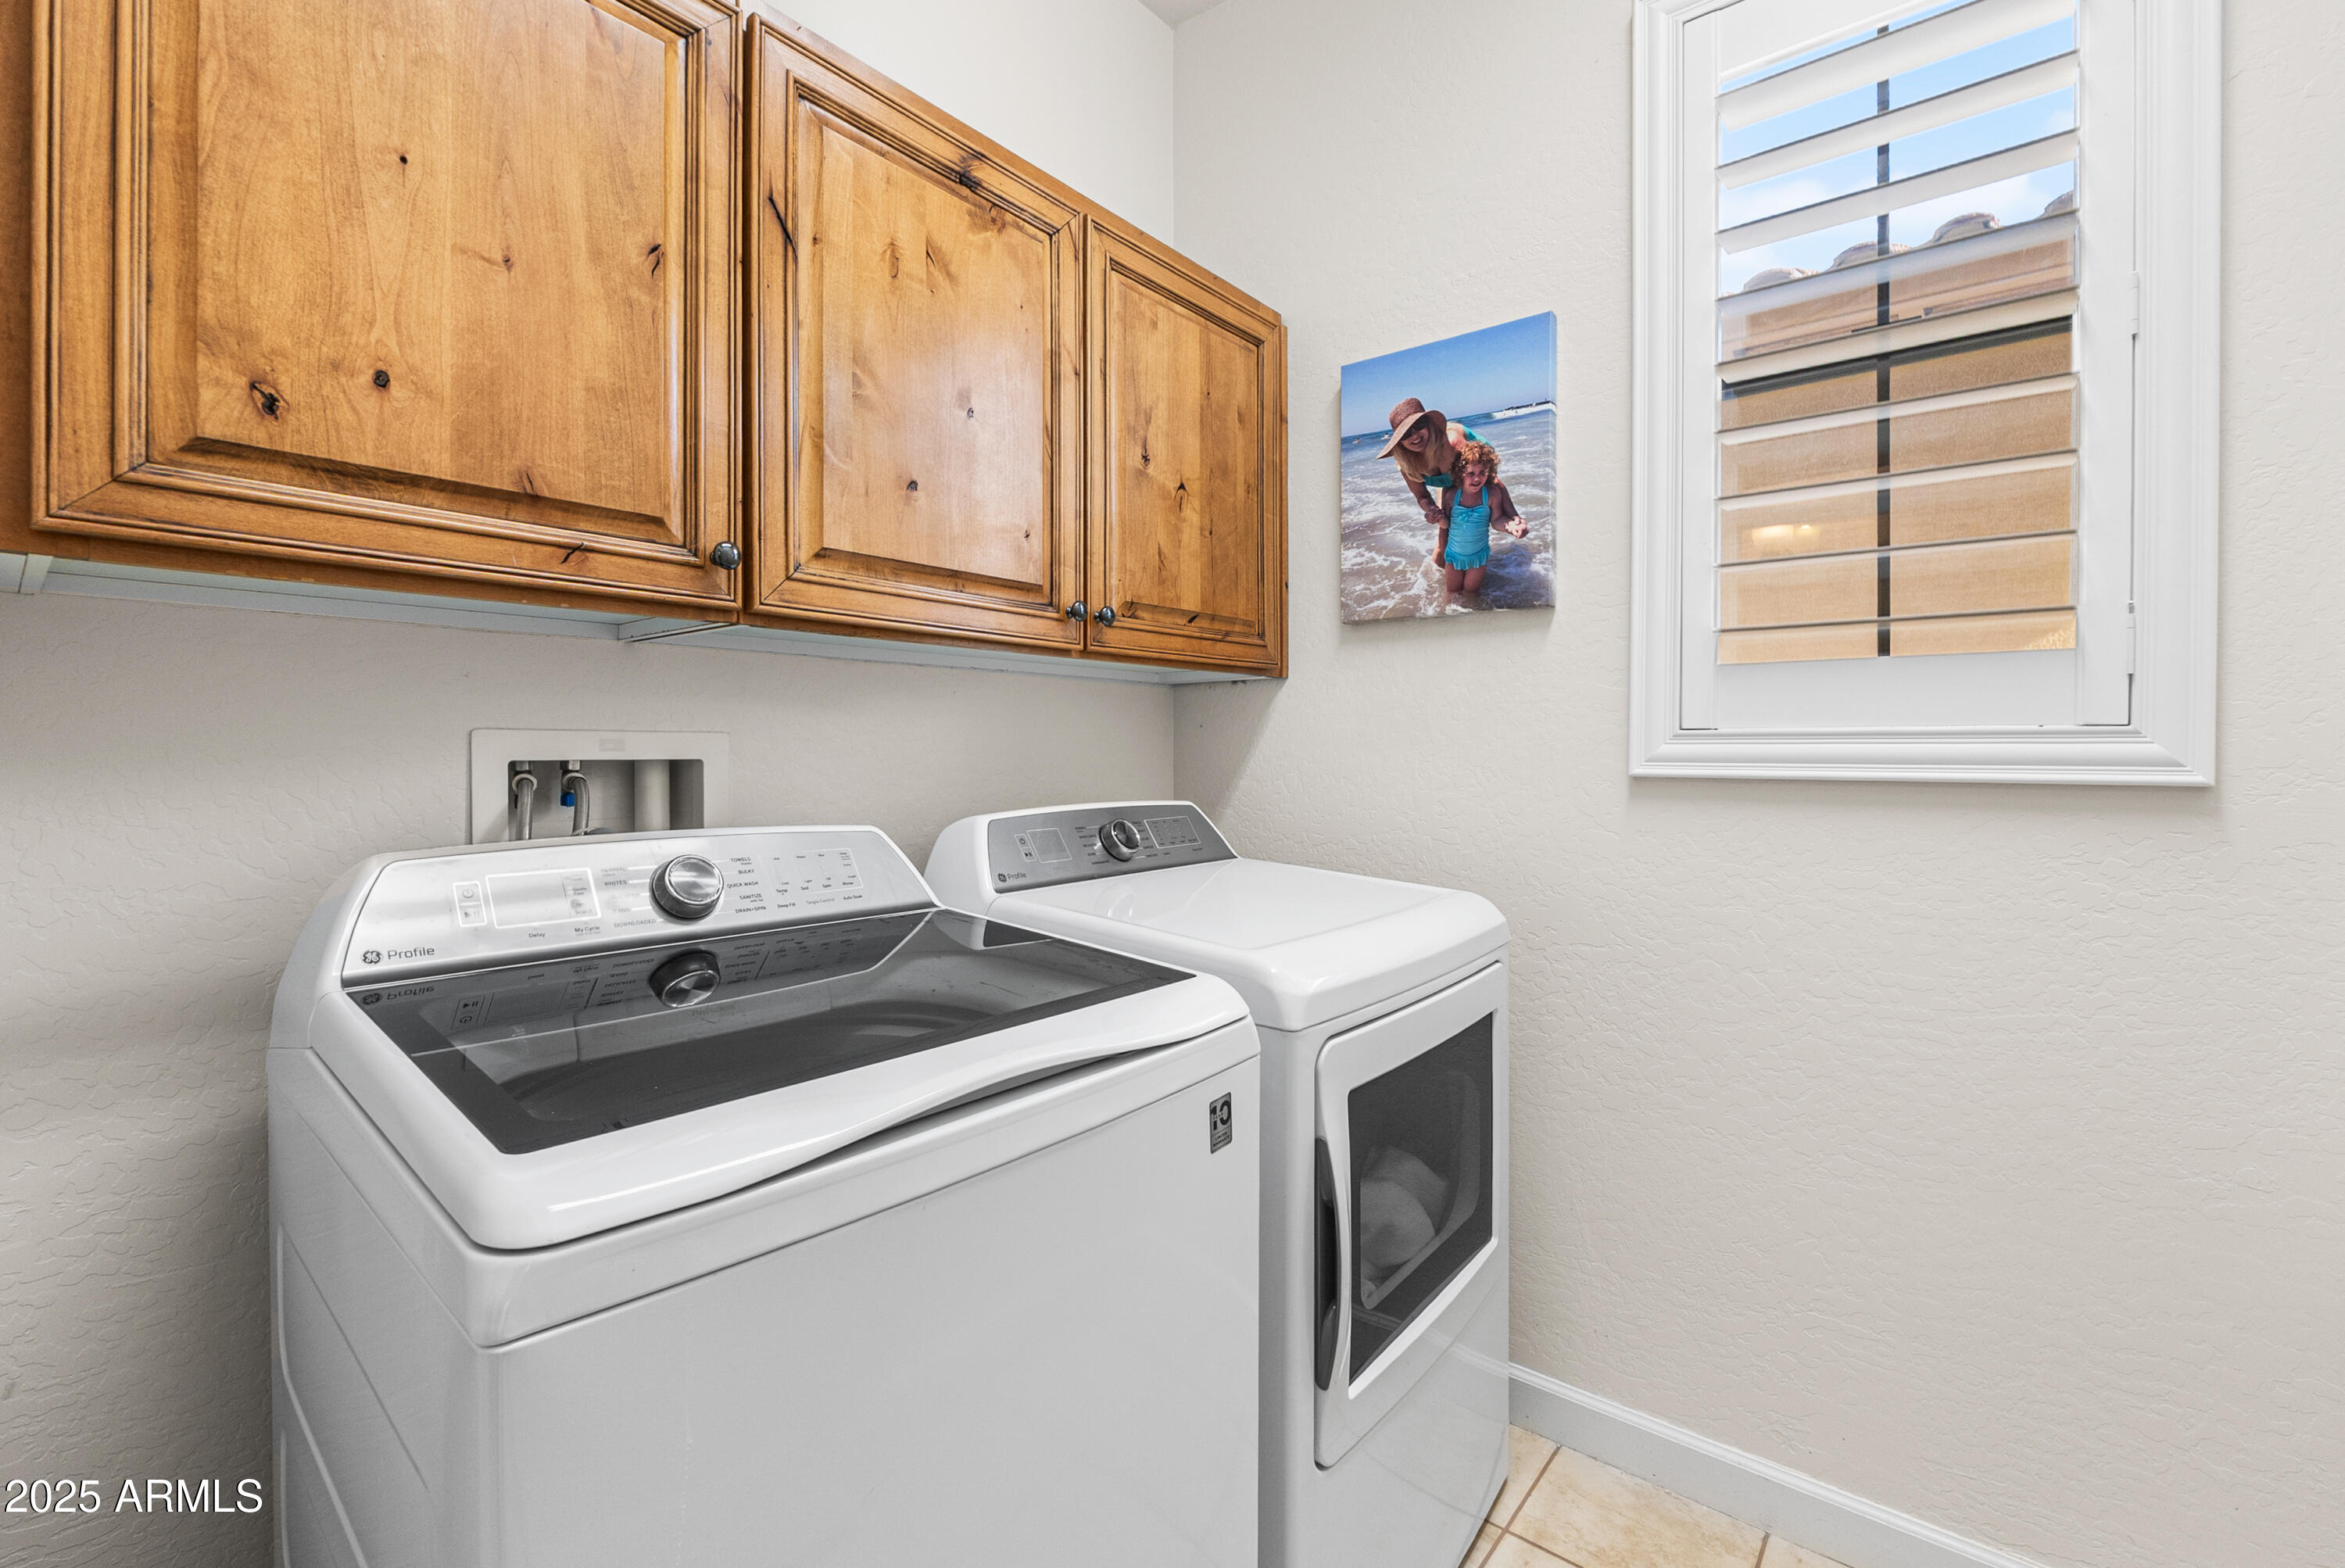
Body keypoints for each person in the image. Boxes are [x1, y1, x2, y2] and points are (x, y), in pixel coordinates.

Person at [1437, 440, 1527, 599]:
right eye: (1471, 473)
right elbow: (1446, 524)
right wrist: (1437, 518)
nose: (1477, 478)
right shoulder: (1452, 495)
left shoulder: (1491, 494)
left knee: (1471, 595)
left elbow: (1497, 520)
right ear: (1460, 473)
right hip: (1454, 556)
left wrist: (1509, 527)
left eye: (1482, 473)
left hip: (1478, 557)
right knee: (1452, 594)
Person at [1376, 397, 1481, 529]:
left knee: (1483, 511)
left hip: (1476, 465)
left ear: (1429, 425)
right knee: (1443, 537)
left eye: (1419, 425)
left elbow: (1484, 476)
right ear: (1400, 441)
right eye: (1406, 433)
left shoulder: (1452, 444)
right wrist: (1432, 510)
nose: (1414, 435)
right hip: (1449, 478)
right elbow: (1422, 497)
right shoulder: (1407, 465)